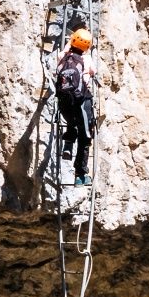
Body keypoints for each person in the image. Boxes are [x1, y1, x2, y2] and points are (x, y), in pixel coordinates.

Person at [55, 26, 96, 187]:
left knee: (71, 122)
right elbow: (93, 71)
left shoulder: (62, 57)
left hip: (64, 103)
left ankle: (67, 145)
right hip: (81, 102)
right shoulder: (85, 60)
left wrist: (68, 47)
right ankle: (80, 174)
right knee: (85, 137)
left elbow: (64, 52)